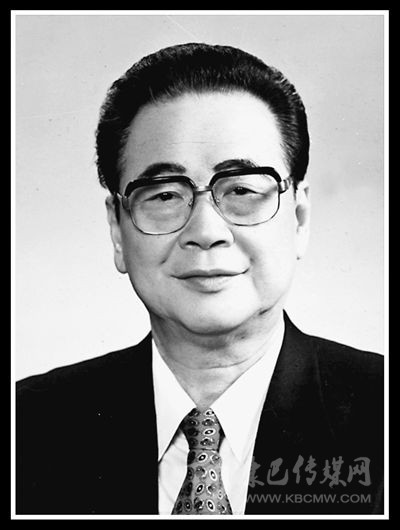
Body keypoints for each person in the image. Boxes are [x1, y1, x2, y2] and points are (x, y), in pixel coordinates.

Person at [16, 42, 384, 516]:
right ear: (117, 229)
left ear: (299, 217)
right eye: (165, 195)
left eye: (242, 189)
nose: (206, 231)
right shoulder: (26, 428)